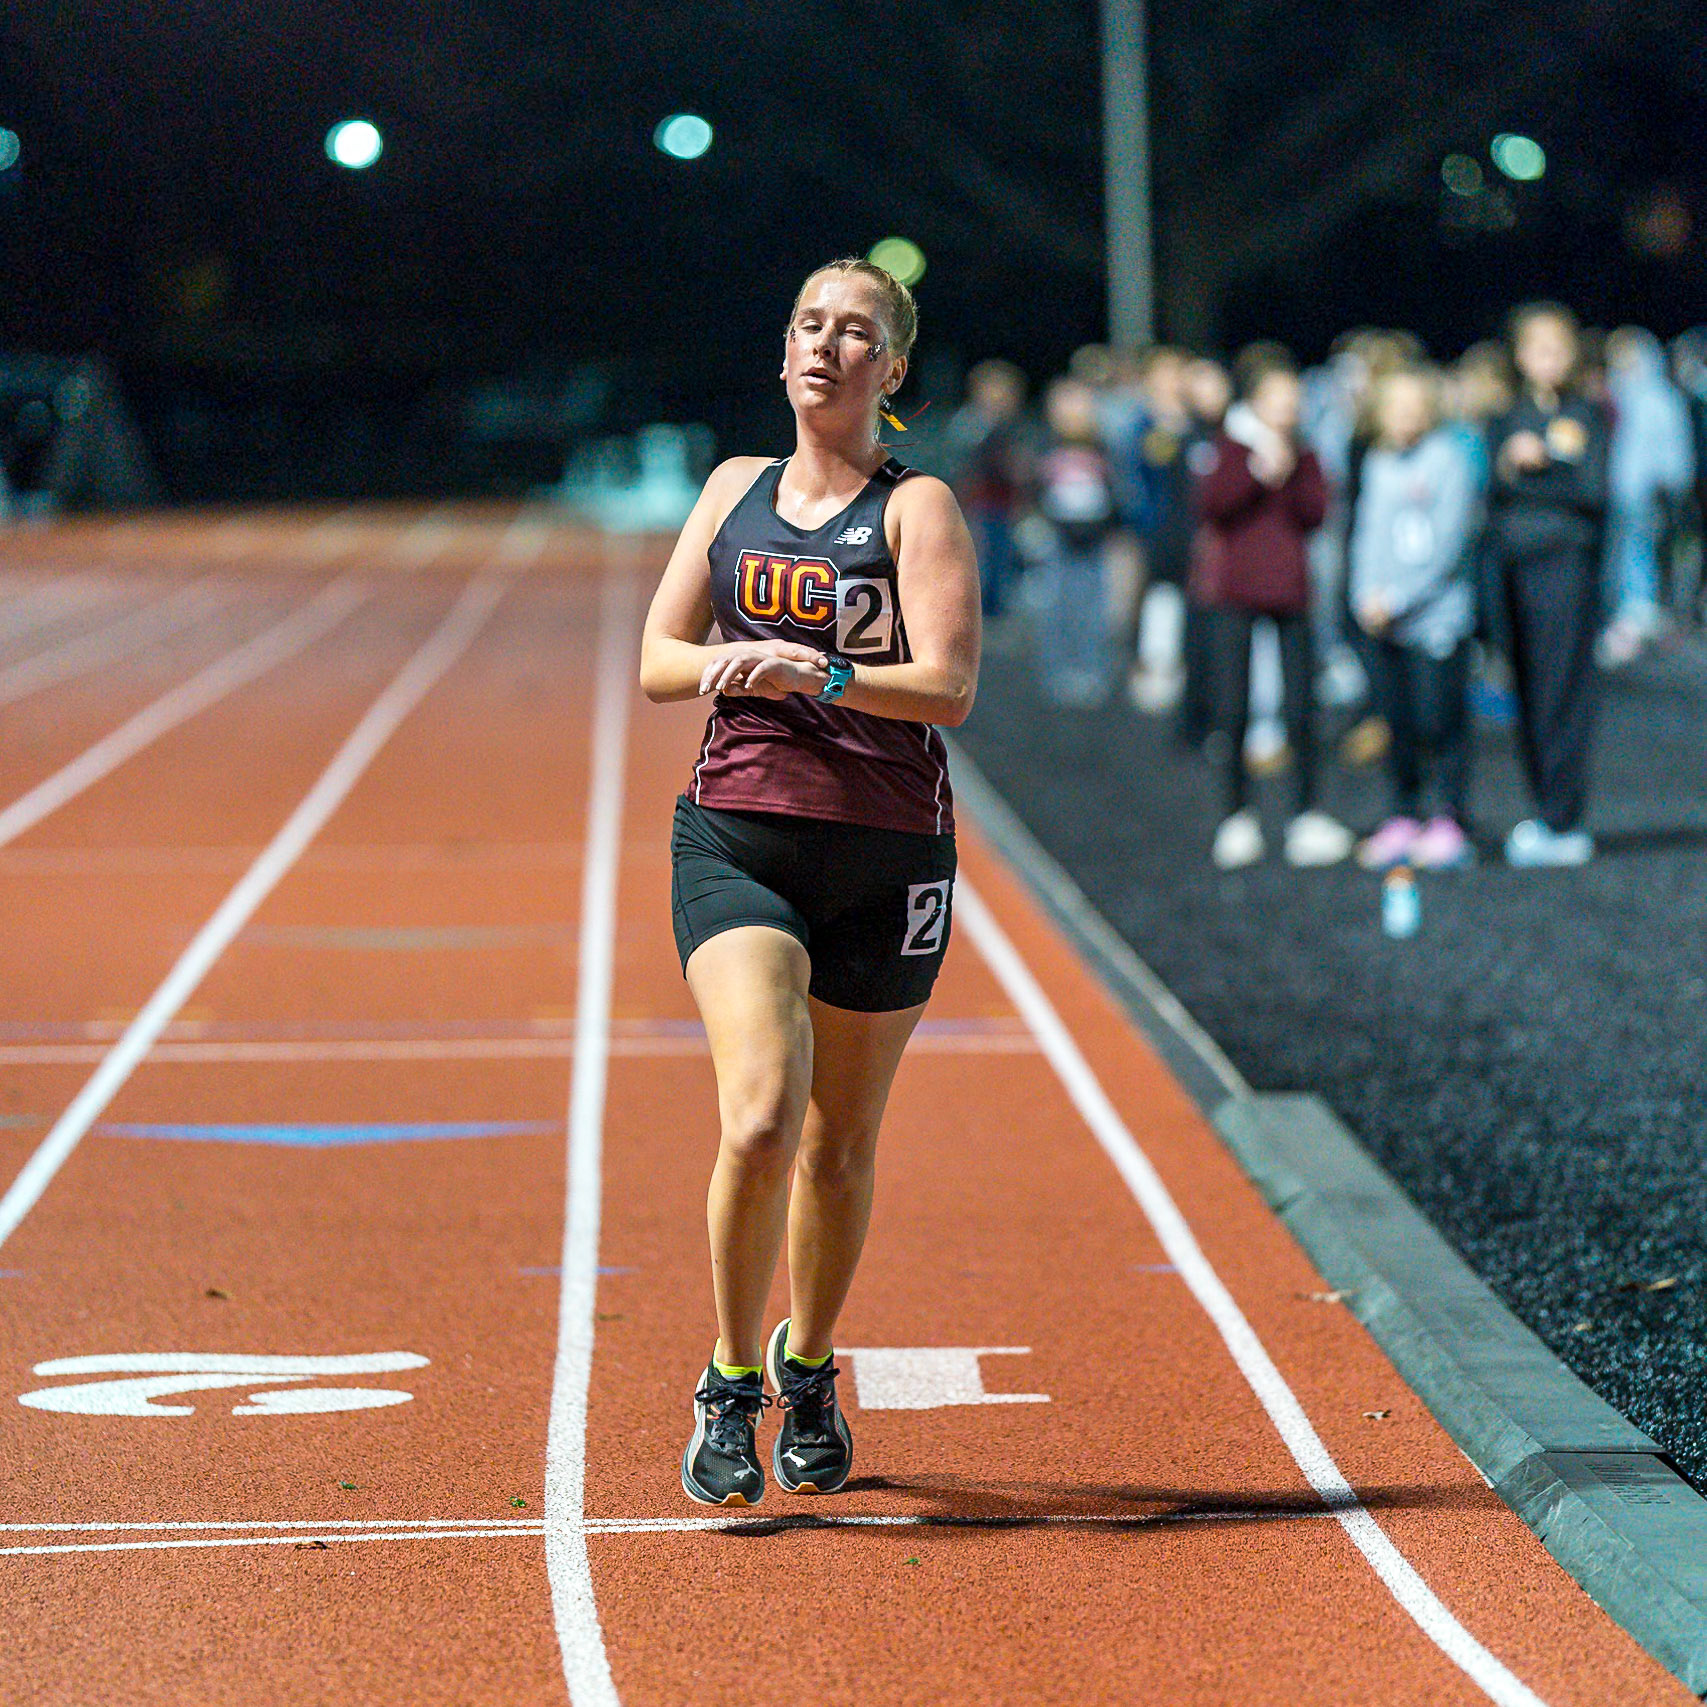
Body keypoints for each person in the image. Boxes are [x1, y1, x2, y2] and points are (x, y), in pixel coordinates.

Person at [639, 258, 980, 1506]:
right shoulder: (732, 489)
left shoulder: (917, 507)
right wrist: (737, 664)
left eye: (855, 333)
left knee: (839, 1146)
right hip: (738, 834)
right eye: (810, 326)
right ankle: (731, 1381)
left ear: (892, 370)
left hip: (887, 853)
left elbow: (950, 688)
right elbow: (658, 658)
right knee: (761, 1116)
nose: (827, 347)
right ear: (784, 351)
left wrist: (822, 673)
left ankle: (811, 1363)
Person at [1195, 344, 1354, 869]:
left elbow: (1316, 513)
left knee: (1303, 709)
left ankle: (1305, 815)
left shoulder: (1305, 453)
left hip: (1292, 594)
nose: (1289, 406)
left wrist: (1289, 474)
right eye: (1278, 397)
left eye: (1294, 398)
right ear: (1256, 400)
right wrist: (1256, 473)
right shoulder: (1231, 448)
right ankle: (1236, 817)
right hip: (1235, 596)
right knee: (1233, 709)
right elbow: (1213, 505)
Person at [1486, 302, 1610, 866]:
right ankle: (1544, 808)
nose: (1549, 359)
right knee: (1527, 690)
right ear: (1519, 355)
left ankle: (1563, 816)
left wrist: (1536, 471)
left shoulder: (1587, 415)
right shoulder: (1505, 418)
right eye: (1538, 348)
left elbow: (1593, 491)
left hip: (1564, 567)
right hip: (1512, 569)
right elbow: (1491, 492)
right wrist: (1513, 470)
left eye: (1558, 348)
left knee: (1562, 689)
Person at [1350, 368, 1479, 870]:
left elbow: (1449, 544)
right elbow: (1366, 533)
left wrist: (1399, 600)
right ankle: (1403, 814)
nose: (1405, 415)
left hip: (1437, 619)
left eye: (1413, 405)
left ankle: (1449, 818)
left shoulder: (1448, 459)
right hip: (1384, 620)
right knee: (1396, 722)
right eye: (1395, 406)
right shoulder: (1378, 461)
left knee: (1439, 720)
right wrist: (1364, 596)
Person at [1024, 375, 1120, 707]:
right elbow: (1032, 489)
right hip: (1057, 537)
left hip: (1094, 537)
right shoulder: (1046, 444)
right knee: (1058, 606)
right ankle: (1059, 673)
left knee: (1093, 609)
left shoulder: (1103, 446)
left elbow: (1116, 491)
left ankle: (1091, 671)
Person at [1600, 326, 1694, 665]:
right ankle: (1625, 611)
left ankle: (1639, 612)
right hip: (1614, 490)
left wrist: (1671, 486)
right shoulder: (1616, 394)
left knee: (1640, 548)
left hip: (1646, 491)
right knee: (1620, 549)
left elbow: (1675, 449)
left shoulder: (1659, 397)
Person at [945, 359, 1031, 618]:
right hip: (976, 509)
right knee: (979, 569)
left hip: (1009, 509)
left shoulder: (1016, 428)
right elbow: (961, 467)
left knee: (1006, 572)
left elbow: (1022, 469)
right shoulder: (970, 424)